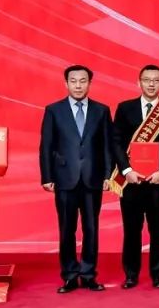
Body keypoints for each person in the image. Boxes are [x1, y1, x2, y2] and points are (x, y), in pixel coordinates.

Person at [39, 64, 113, 293]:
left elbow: (107, 146)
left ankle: (89, 274)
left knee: (91, 228)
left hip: (93, 178)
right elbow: (46, 146)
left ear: (89, 83)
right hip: (65, 178)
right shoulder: (54, 110)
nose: (78, 85)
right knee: (66, 229)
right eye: (73, 81)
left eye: (83, 81)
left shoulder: (102, 110)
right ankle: (70, 275)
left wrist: (108, 174)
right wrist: (47, 176)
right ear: (66, 83)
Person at [111, 64, 159, 289]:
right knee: (131, 229)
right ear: (139, 82)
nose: (151, 84)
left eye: (156, 80)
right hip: (131, 181)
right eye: (147, 80)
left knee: (158, 230)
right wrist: (126, 171)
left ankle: (158, 275)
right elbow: (117, 142)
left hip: (158, 181)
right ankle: (131, 274)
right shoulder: (125, 108)